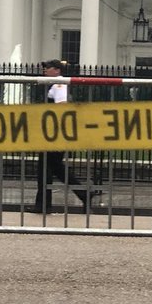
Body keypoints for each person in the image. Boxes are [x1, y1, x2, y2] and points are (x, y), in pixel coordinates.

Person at [32, 59, 100, 213]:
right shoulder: (54, 84)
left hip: (55, 133)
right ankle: (83, 194)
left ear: (57, 70)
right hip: (56, 132)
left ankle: (43, 205)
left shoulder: (59, 84)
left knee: (45, 166)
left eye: (48, 68)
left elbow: (62, 107)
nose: (45, 70)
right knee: (55, 167)